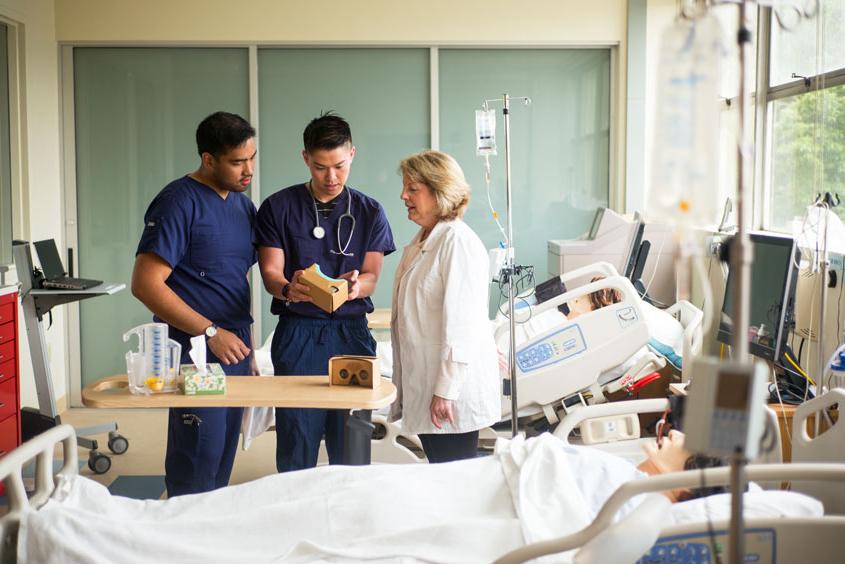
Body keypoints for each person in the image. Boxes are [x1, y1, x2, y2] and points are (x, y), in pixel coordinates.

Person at [255, 112, 395, 472]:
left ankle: (349, 516)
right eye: (320, 167)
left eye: (339, 166)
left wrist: (354, 287)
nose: (331, 177)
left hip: (351, 332)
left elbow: (372, 277)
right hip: (299, 331)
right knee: (297, 434)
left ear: (352, 154)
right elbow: (270, 271)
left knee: (351, 438)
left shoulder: (369, 211)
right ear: (305, 159)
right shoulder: (279, 207)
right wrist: (289, 288)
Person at [131, 111, 258, 496]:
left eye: (252, 158)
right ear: (208, 159)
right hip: (198, 351)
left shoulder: (241, 206)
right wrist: (210, 331)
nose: (247, 170)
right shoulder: (177, 203)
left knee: (221, 459)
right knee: (197, 458)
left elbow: (234, 279)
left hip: (234, 347)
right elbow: (146, 285)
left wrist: (246, 345)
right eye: (237, 162)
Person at [389, 150, 501, 463]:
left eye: (413, 188)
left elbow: (462, 324)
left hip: (449, 391)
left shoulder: (456, 242)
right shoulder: (424, 241)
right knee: (443, 471)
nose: (403, 195)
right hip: (429, 380)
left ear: (440, 192)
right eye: (405, 187)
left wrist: (446, 390)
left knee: (454, 474)